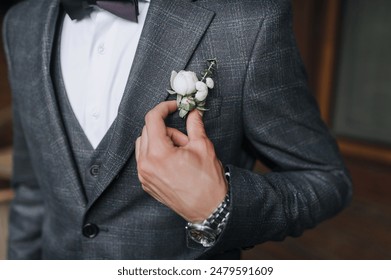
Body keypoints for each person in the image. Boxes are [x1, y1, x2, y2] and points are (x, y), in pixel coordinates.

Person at [3, 0, 352, 260]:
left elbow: (326, 178)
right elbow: (33, 186)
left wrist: (219, 205)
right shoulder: (22, 23)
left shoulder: (247, 21)